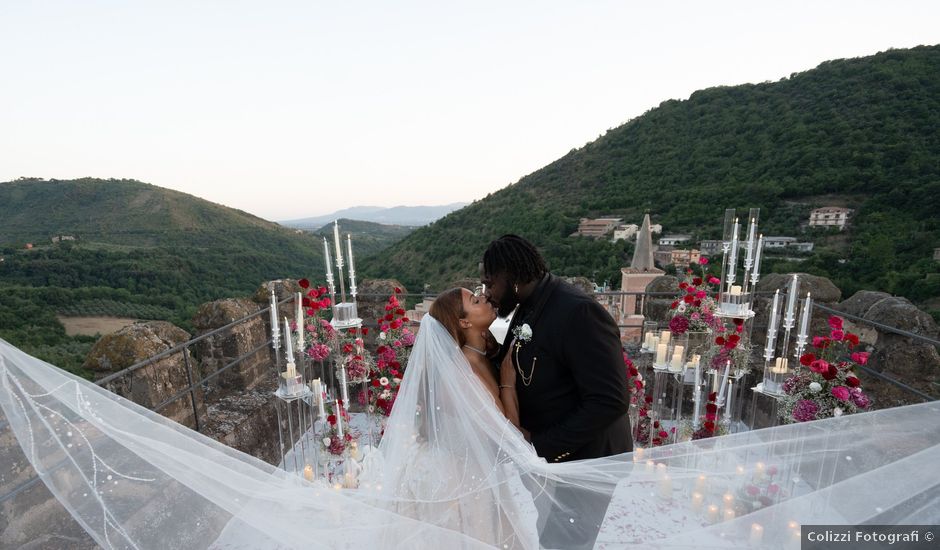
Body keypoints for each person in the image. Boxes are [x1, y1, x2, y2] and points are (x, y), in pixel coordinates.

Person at [481, 234, 632, 463]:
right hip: (551, 463)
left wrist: (538, 446)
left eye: (490, 283)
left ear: (512, 277)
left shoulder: (579, 313)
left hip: (586, 462)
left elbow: (610, 400)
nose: (486, 293)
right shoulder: (527, 304)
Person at [428, 287, 522, 432]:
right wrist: (507, 384)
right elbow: (508, 435)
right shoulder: (462, 375)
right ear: (464, 323)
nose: (485, 298)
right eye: (476, 301)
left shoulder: (482, 356)